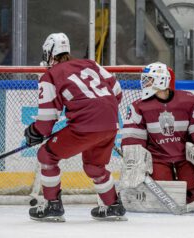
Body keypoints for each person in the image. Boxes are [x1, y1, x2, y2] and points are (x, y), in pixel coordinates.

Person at [24, 32, 126, 222]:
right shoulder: (91, 64)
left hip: (85, 126)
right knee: (94, 166)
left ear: (49, 53)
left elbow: (46, 120)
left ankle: (52, 205)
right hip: (111, 123)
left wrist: (35, 131)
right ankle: (113, 206)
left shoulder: (50, 75)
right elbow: (117, 92)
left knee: (46, 155)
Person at [120, 62, 194, 213]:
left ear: (160, 81)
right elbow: (133, 140)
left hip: (185, 157)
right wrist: (136, 161)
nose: (144, 83)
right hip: (158, 157)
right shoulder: (138, 106)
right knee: (163, 196)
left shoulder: (189, 101)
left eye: (148, 79)